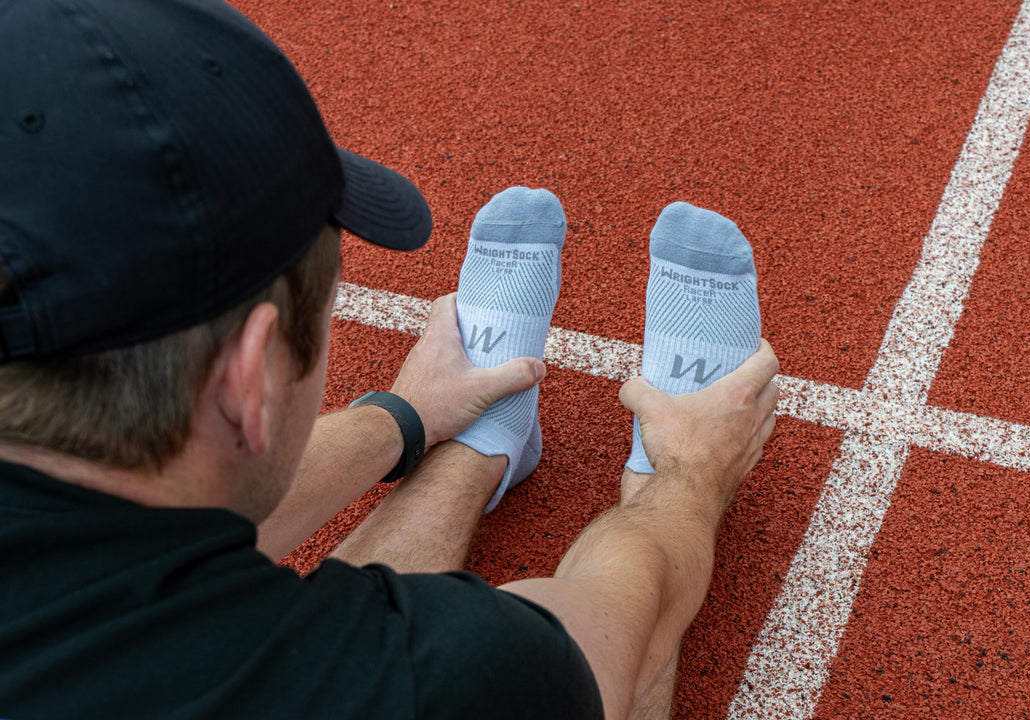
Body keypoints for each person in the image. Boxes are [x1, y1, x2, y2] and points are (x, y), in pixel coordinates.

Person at [0, 0, 778, 718]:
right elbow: (605, 636)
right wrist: (687, 480)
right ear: (249, 376)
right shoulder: (413, 688)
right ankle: (570, 467)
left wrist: (405, 419)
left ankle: (476, 451)